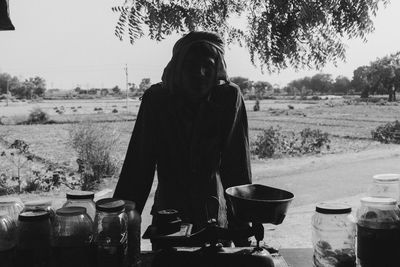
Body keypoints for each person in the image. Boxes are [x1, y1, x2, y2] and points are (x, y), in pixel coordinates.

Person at [113, 31, 252, 241]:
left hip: (213, 214)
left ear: (218, 69)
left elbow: (237, 164)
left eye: (208, 65)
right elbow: (138, 168)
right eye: (191, 65)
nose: (200, 72)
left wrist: (242, 225)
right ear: (177, 67)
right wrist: (118, 228)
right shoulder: (157, 99)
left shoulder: (228, 98)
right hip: (168, 214)